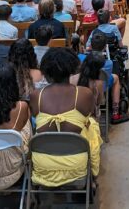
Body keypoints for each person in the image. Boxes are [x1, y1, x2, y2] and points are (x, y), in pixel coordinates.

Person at [29, 48, 102, 187]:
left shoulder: (35, 95)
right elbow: (91, 112)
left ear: (46, 70)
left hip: (42, 167)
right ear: (72, 69)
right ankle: (92, 174)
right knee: (92, 124)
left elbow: (34, 118)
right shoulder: (84, 93)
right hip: (76, 166)